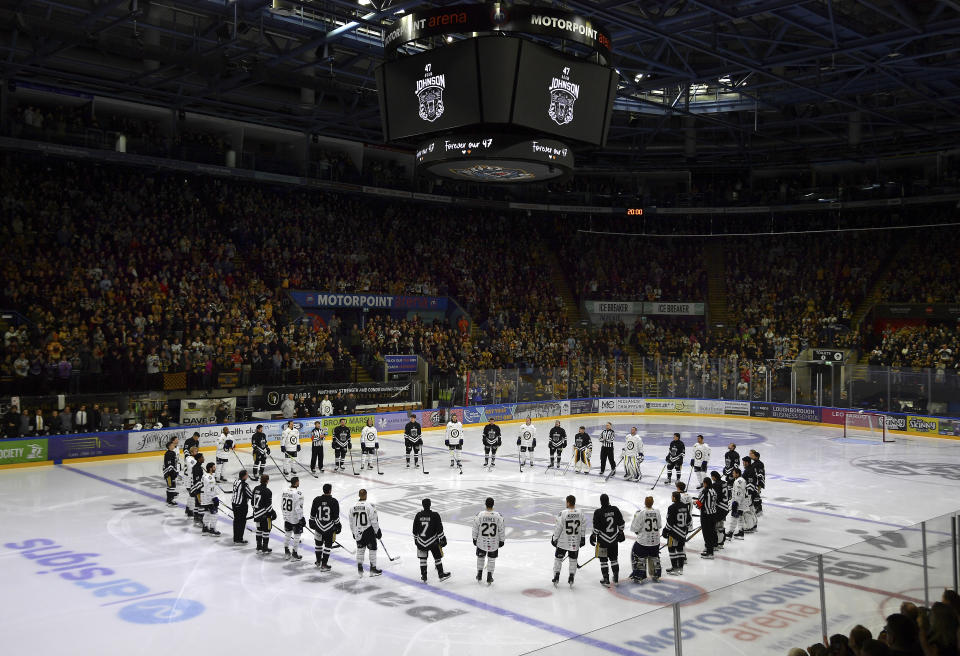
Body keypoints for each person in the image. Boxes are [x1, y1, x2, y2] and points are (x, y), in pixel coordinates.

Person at [413, 498, 451, 583]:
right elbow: (439, 529)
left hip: (421, 541)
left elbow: (414, 530)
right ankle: (441, 574)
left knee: (423, 559)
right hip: (432, 541)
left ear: (422, 505)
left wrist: (416, 540)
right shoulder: (435, 515)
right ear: (430, 505)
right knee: (437, 557)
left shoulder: (418, 515)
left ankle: (424, 576)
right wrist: (442, 538)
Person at [591, 493, 625, 587]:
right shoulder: (615, 509)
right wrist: (621, 532)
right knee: (614, 559)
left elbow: (596, 529)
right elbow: (621, 524)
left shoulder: (598, 512)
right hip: (613, 540)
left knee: (603, 560)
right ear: (608, 500)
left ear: (601, 502)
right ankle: (616, 578)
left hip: (602, 541)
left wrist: (593, 535)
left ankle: (606, 579)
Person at [550, 494, 584, 587]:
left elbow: (558, 527)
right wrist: (583, 538)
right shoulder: (580, 513)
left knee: (558, 559)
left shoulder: (563, 513)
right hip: (575, 542)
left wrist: (554, 538)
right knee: (573, 560)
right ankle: (571, 577)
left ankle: (556, 576)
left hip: (563, 542)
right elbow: (583, 526)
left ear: (568, 502)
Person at [349, 489, 382, 577]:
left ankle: (360, 569)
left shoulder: (352, 507)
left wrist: (353, 532)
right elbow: (374, 520)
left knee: (360, 550)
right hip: (368, 531)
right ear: (366, 495)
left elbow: (351, 521)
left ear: (359, 495)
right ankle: (373, 569)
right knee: (372, 549)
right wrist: (377, 531)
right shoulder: (369, 506)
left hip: (358, 532)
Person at [472, 497, 504, 585]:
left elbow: (475, 528)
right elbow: (501, 529)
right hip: (493, 542)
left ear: (485, 504)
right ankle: (489, 576)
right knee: (491, 560)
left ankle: (479, 574)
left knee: (480, 558)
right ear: (493, 504)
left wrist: (474, 538)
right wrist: (502, 540)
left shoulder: (480, 515)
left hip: (481, 541)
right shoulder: (498, 516)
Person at [630, 496, 662, 583]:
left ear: (645, 503)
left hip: (643, 541)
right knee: (655, 556)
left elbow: (634, 528)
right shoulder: (657, 512)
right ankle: (656, 574)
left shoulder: (641, 513)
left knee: (637, 555)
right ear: (653, 503)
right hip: (655, 541)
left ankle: (639, 575)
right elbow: (659, 526)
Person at [310, 483, 341, 570]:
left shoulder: (316, 500)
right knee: (327, 545)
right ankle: (324, 565)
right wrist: (338, 526)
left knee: (318, 544)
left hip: (318, 527)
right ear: (330, 490)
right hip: (329, 528)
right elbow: (335, 517)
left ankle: (318, 561)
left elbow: (312, 513)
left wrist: (311, 522)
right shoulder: (334, 501)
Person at [663, 490, 691, 575]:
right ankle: (680, 569)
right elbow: (689, 519)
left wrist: (665, 531)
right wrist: (685, 528)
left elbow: (669, 522)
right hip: (682, 533)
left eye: (672, 496)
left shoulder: (671, 507)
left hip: (673, 533)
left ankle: (675, 568)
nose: (671, 498)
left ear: (674, 498)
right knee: (680, 549)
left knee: (671, 548)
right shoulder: (685, 506)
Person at [281, 476, 305, 561]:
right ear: (296, 482)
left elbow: (282, 505)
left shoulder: (284, 491)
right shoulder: (298, 494)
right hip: (295, 518)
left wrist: (285, 515)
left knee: (287, 534)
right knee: (297, 536)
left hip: (287, 517)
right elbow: (298, 508)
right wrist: (301, 518)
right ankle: (294, 554)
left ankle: (286, 552)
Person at [252, 474, 276, 554]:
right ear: (267, 481)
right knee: (267, 530)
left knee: (259, 530)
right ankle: (265, 548)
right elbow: (268, 506)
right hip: (266, 516)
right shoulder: (268, 491)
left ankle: (258, 547)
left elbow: (252, 502)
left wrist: (256, 511)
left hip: (257, 515)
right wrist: (273, 513)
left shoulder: (256, 489)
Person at [696, 477, 718, 559]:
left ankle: (709, 552)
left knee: (706, 533)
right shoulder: (713, 490)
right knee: (712, 532)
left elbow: (699, 503)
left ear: (705, 483)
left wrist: (696, 504)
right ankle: (711, 548)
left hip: (706, 515)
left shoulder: (704, 491)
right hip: (713, 514)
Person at [231, 469, 252, 544]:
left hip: (234, 503)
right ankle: (239, 539)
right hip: (241, 506)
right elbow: (250, 495)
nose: (247, 476)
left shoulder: (236, 481)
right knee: (242, 522)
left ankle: (235, 538)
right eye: (247, 475)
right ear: (244, 476)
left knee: (236, 521)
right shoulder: (244, 485)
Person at [200, 462, 221, 536]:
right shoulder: (210, 478)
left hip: (204, 498)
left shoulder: (205, 475)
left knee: (207, 513)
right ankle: (212, 529)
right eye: (214, 467)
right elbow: (209, 490)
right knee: (214, 514)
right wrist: (214, 498)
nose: (215, 468)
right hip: (209, 499)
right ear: (210, 468)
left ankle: (205, 527)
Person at [726, 467, 746, 540]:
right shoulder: (741, 480)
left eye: (733, 473)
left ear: (737, 474)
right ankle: (741, 533)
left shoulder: (738, 481)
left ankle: (730, 533)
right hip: (742, 503)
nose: (732, 474)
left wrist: (735, 503)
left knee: (734, 518)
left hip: (738, 503)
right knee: (740, 518)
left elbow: (739, 493)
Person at [710, 471, 729, 550]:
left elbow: (715, 498)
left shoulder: (715, 485)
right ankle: (721, 543)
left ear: (714, 477)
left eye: (712, 476)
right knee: (721, 526)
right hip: (725, 507)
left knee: (715, 527)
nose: (711, 478)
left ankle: (715, 544)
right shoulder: (724, 483)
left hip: (719, 508)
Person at [741, 456, 760, 532]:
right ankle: (754, 524)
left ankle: (749, 527)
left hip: (749, 493)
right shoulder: (751, 469)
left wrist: (747, 494)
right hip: (752, 493)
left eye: (744, 462)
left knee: (747, 510)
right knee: (751, 508)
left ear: (747, 462)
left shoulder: (749, 470)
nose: (743, 463)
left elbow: (750, 484)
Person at [162, 437, 180, 506]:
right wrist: (172, 472)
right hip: (169, 473)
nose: (174, 446)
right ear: (169, 446)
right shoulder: (169, 454)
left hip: (171, 472)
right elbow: (169, 465)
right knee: (171, 485)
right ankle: (170, 500)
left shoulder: (172, 452)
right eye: (172, 445)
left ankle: (169, 498)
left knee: (171, 485)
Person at [190, 452, 206, 527]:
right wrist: (202, 488)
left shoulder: (198, 466)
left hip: (197, 488)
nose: (204, 458)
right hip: (198, 489)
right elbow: (197, 481)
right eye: (202, 457)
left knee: (197, 503)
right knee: (200, 503)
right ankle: (200, 519)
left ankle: (196, 518)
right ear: (199, 459)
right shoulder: (197, 468)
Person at [182, 446, 198, 518]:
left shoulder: (189, 458)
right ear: (191, 452)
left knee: (191, 495)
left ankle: (188, 509)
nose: (197, 453)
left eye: (197, 451)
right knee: (192, 496)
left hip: (188, 479)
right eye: (195, 451)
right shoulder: (191, 460)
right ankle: (190, 511)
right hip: (189, 480)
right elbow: (193, 469)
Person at [749, 449, 765, 516]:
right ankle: (757, 509)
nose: (751, 456)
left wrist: (759, 486)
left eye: (753, 455)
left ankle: (759, 509)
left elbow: (760, 475)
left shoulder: (759, 464)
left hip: (758, 483)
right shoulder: (754, 463)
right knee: (754, 496)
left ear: (756, 457)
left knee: (757, 496)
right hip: (754, 482)